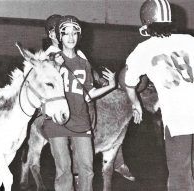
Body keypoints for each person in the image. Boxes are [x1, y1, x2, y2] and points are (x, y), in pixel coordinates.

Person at [124, 0, 194, 190]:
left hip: (177, 116)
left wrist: (135, 104)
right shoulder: (189, 41)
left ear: (147, 22)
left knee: (179, 175)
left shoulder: (143, 50)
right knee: (188, 167)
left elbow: (128, 82)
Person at [44, 14, 135, 183]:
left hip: (80, 120)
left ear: (79, 36)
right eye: (66, 33)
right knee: (64, 172)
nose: (70, 37)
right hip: (59, 120)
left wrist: (110, 85)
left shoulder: (83, 62)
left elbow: (89, 94)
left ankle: (117, 160)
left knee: (87, 170)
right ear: (59, 36)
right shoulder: (50, 60)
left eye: (74, 33)